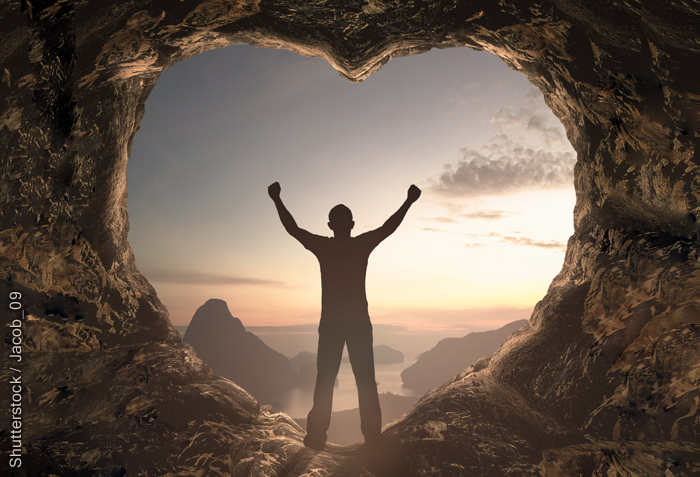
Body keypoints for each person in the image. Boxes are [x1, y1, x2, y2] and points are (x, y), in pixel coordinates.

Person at [268, 182, 421, 451]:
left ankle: (316, 437)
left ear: (330, 225)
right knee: (366, 381)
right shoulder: (362, 244)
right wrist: (409, 201)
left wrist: (277, 199)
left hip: (330, 327)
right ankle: (372, 437)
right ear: (352, 224)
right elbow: (388, 227)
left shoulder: (323, 246)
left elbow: (293, 229)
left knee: (325, 379)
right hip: (360, 325)